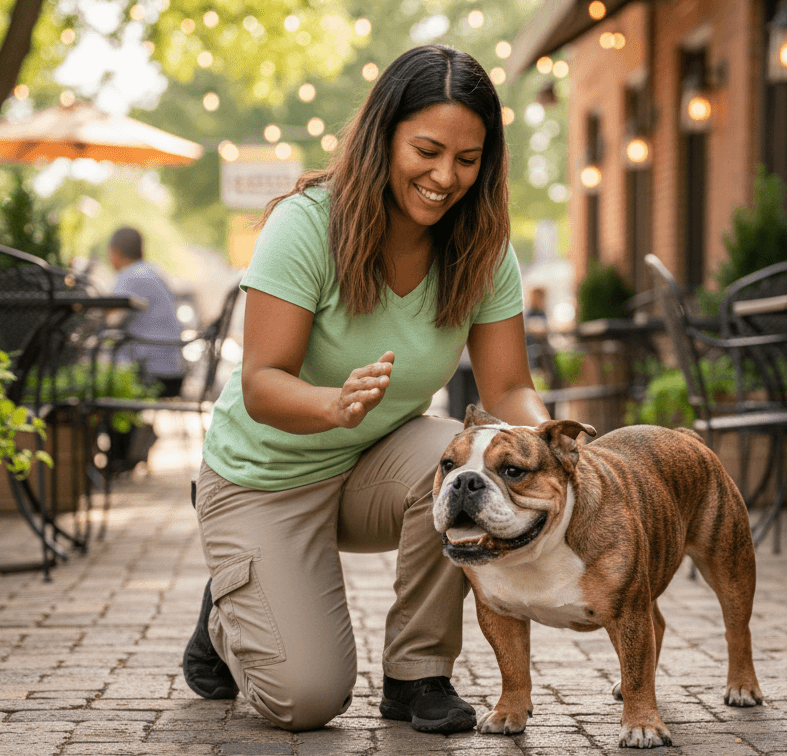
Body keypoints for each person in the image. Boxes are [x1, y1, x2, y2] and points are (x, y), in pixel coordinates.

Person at [183, 44, 550, 734]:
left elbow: (507, 387)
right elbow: (261, 383)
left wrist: (553, 441)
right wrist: (333, 404)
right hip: (265, 476)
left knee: (460, 456)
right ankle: (230, 614)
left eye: (467, 161)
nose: (446, 177)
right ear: (384, 136)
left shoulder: (483, 248)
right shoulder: (307, 226)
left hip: (375, 466)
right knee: (306, 700)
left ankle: (418, 675)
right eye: (428, 150)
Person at [107, 227, 187, 398]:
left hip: (151, 373)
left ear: (115, 252)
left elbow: (113, 319)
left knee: (94, 370)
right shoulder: (153, 271)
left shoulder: (130, 276)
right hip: (173, 369)